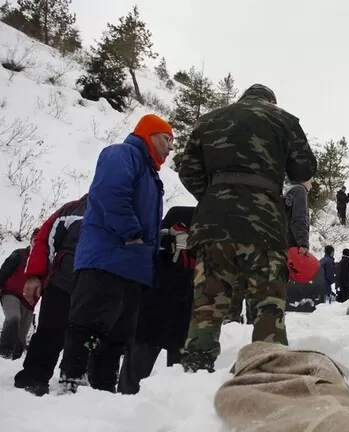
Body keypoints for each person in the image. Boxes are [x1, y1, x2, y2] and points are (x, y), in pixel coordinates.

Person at [176, 84, 317, 373]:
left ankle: (194, 372)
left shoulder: (209, 120)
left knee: (208, 304)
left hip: (214, 224)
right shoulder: (283, 120)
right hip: (263, 224)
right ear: (271, 101)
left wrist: (217, 196)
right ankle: (271, 370)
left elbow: (188, 171)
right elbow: (304, 170)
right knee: (268, 304)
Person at [58, 114, 173, 393]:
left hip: (132, 269)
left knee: (116, 336)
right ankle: (71, 381)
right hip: (107, 260)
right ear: (150, 134)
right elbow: (110, 193)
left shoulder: (150, 174)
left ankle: (101, 391)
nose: (171, 148)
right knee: (89, 324)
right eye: (168, 139)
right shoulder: (121, 154)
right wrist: (131, 231)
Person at [117, 206, 196, 395]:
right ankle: (126, 403)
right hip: (164, 308)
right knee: (144, 367)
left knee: (174, 378)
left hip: (171, 309)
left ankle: (131, 402)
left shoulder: (159, 243)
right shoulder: (182, 219)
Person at [14, 195, 87, 396]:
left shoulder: (126, 212)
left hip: (98, 289)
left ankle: (78, 385)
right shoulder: (73, 211)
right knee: (50, 331)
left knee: (88, 338)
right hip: (63, 283)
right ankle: (34, 377)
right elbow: (44, 240)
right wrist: (35, 276)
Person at [0, 228, 39, 360]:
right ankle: (4, 349)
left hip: (28, 302)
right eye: (35, 240)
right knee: (13, 317)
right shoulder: (19, 254)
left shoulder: (46, 263)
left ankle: (15, 353)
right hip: (10, 293)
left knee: (20, 339)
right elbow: (4, 272)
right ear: (31, 240)